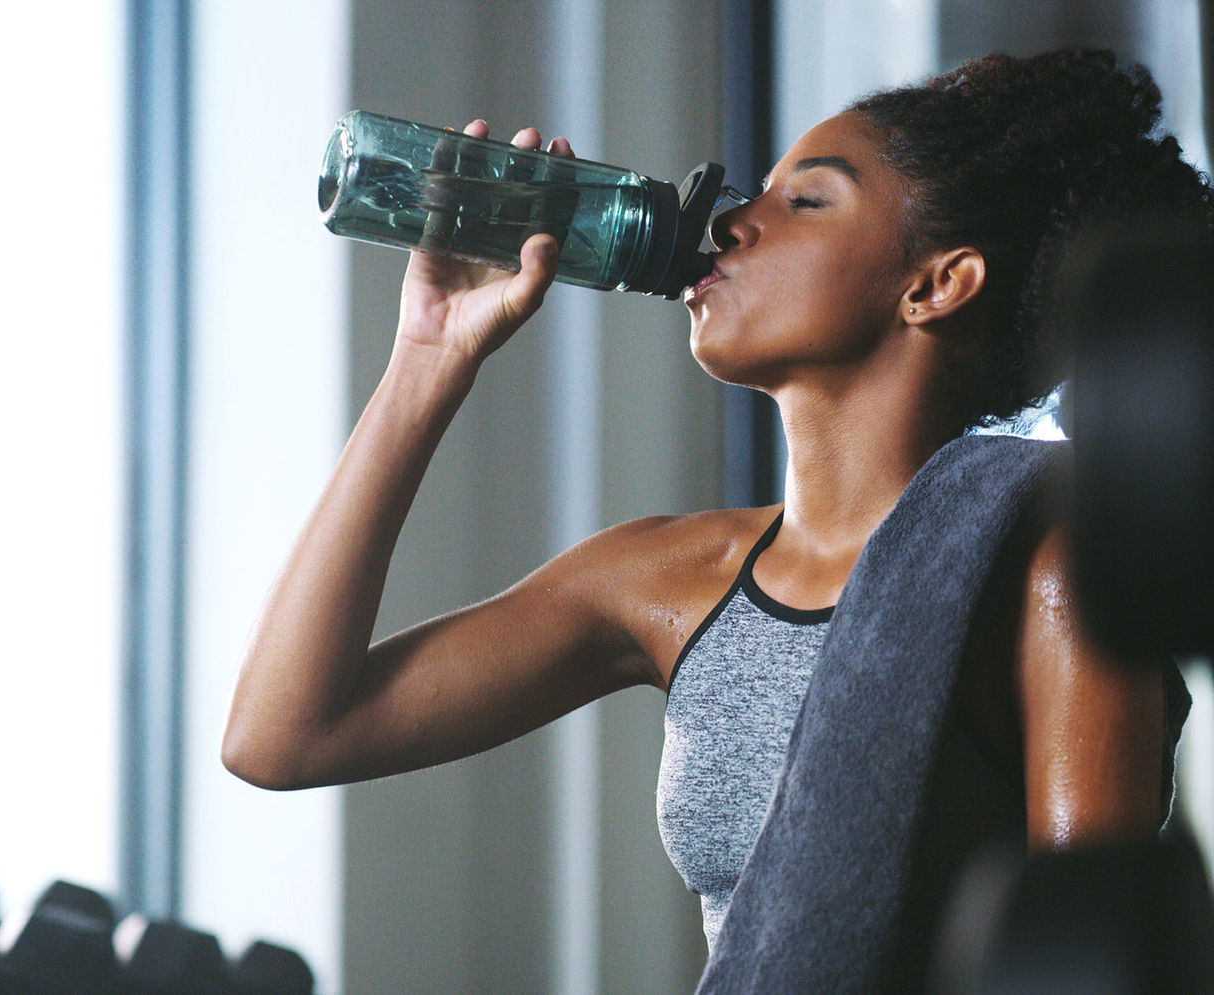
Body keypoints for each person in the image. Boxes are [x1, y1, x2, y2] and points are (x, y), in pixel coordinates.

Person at [223, 49, 1209, 986]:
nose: (735, 220)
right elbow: (286, 734)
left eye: (805, 200)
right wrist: (428, 356)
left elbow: (1093, 954)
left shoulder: (1042, 567)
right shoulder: (662, 576)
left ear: (933, 283)